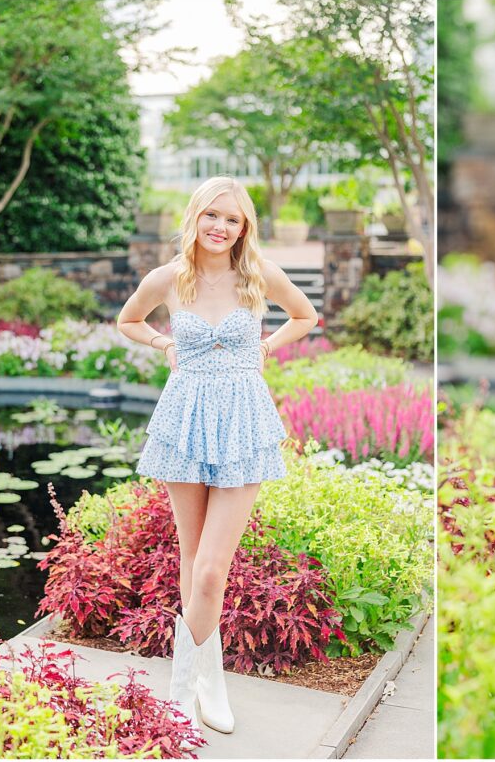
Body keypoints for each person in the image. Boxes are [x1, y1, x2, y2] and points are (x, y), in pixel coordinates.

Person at [117, 175, 318, 742]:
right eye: (212, 215)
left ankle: (188, 688)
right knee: (190, 561)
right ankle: (204, 683)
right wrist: (163, 344)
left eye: (231, 219)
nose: (220, 227)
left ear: (244, 226)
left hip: (243, 420)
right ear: (195, 217)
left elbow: (305, 316)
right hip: (184, 418)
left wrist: (266, 348)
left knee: (210, 570)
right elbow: (128, 320)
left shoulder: (258, 275)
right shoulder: (168, 279)